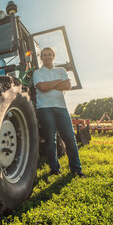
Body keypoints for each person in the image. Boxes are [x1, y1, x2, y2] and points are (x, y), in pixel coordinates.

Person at [33, 47, 84, 177]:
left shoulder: (61, 70)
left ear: (53, 56)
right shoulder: (37, 73)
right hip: (44, 108)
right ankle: (54, 169)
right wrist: (57, 82)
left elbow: (67, 85)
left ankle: (76, 169)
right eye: (44, 55)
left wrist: (50, 85)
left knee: (70, 138)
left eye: (50, 54)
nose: (47, 57)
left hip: (61, 107)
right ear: (41, 58)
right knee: (51, 139)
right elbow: (42, 87)